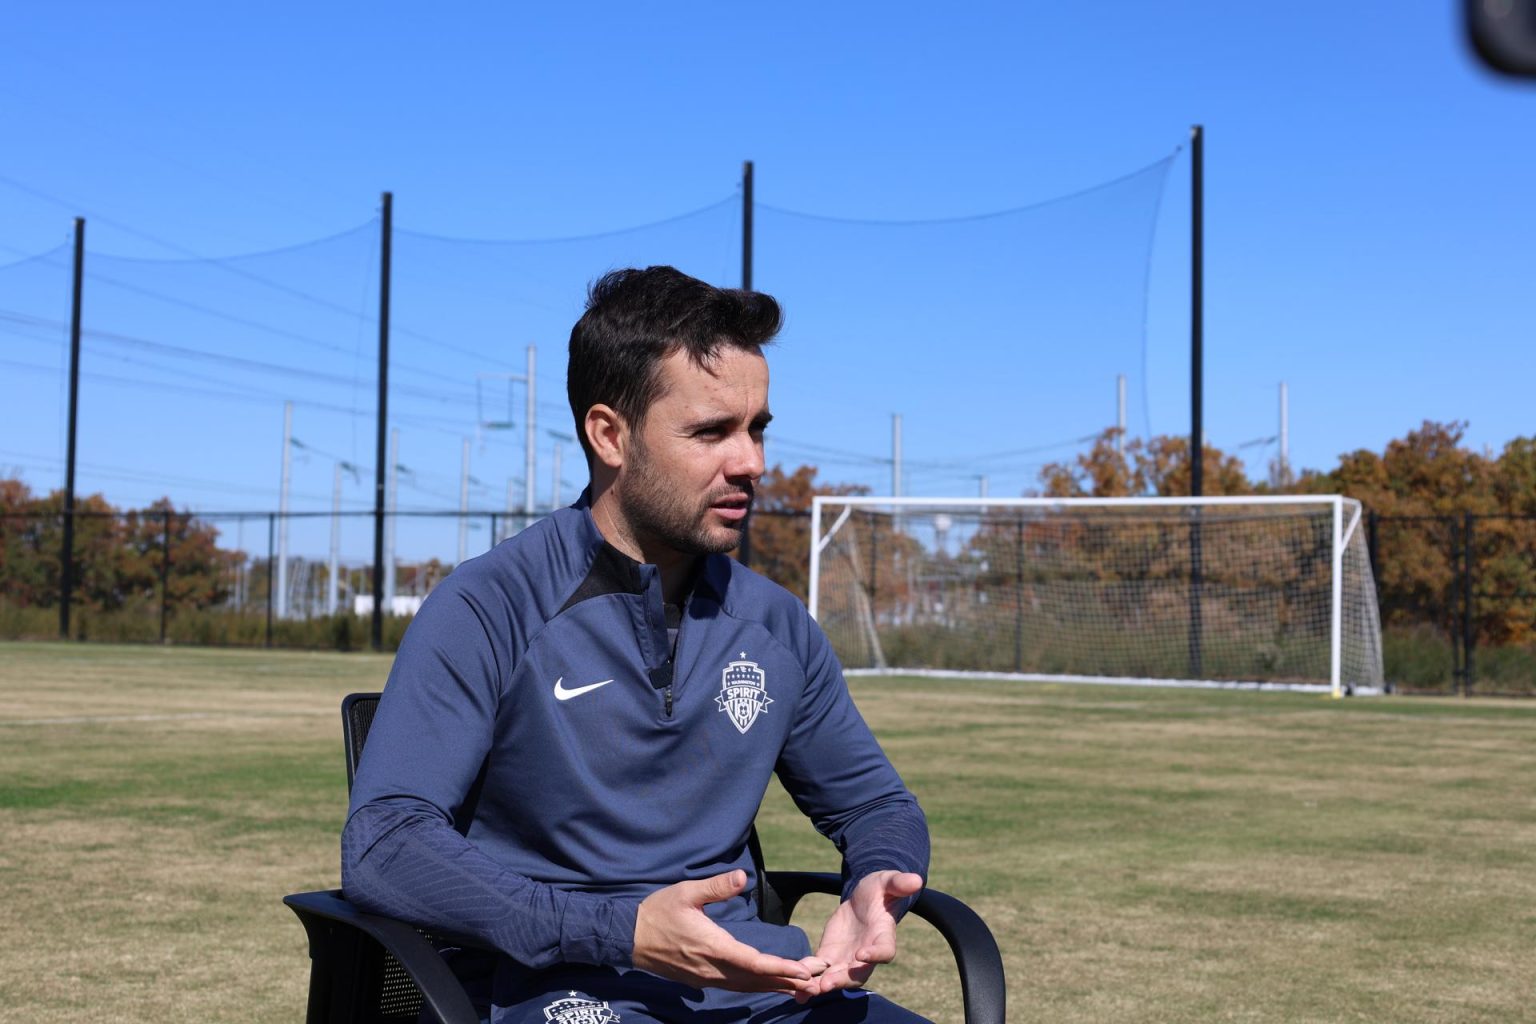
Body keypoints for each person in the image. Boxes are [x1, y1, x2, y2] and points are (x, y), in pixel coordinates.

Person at [342, 266, 931, 1024]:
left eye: (757, 428)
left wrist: (881, 878)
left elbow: (877, 803)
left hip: (758, 989)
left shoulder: (776, 626)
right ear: (610, 435)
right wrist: (617, 929)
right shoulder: (489, 605)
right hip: (553, 986)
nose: (751, 461)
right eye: (712, 431)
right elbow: (386, 842)